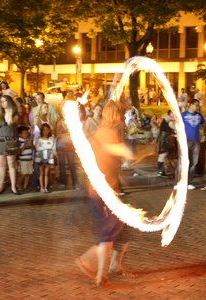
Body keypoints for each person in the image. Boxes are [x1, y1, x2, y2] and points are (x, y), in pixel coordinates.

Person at [75, 101, 134, 287]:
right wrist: (128, 153)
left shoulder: (106, 131)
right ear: (115, 115)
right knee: (107, 233)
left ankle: (115, 265)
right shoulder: (107, 133)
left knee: (125, 227)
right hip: (102, 192)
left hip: (109, 189)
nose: (123, 118)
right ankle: (94, 269)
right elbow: (114, 149)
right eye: (122, 114)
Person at [0, 95, 20, 195]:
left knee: (12, 164)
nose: (3, 103)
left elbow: (12, 123)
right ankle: (1, 186)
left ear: (9, 101)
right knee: (1, 165)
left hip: (11, 141)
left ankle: (13, 187)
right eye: (1, 102)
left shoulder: (15, 114)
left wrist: (11, 110)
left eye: (4, 101)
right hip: (0, 141)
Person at [178, 99, 206, 190]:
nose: (198, 107)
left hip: (196, 141)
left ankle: (189, 182)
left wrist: (203, 135)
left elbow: (203, 125)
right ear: (190, 105)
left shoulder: (199, 116)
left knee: (194, 161)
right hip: (185, 140)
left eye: (198, 106)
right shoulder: (183, 115)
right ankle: (179, 181)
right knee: (183, 161)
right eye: (196, 105)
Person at [56, 119, 79, 190]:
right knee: (62, 165)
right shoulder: (59, 122)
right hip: (61, 146)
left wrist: (64, 133)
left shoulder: (71, 119)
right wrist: (67, 133)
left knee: (71, 164)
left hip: (70, 146)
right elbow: (57, 134)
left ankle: (75, 183)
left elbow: (74, 132)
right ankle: (63, 182)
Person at [35, 123, 56, 193]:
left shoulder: (51, 138)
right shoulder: (39, 139)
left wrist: (44, 148)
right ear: (41, 131)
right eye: (44, 130)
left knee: (46, 173)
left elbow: (53, 148)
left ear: (49, 130)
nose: (45, 131)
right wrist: (47, 148)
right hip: (40, 157)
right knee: (41, 173)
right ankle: (41, 188)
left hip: (49, 157)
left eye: (47, 130)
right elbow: (37, 148)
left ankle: (45, 187)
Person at [157, 110, 175, 177]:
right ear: (170, 113)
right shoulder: (168, 119)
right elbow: (175, 127)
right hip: (165, 139)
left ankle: (162, 171)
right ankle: (161, 172)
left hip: (164, 138)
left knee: (163, 155)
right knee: (163, 155)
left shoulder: (166, 118)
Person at [17, 126, 34, 192]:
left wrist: (31, 143)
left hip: (29, 159)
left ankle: (25, 187)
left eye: (27, 133)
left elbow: (32, 148)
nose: (26, 134)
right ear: (20, 134)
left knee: (28, 174)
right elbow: (19, 152)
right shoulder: (19, 141)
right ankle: (18, 185)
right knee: (23, 173)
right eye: (24, 133)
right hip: (22, 160)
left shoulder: (28, 139)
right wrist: (25, 145)